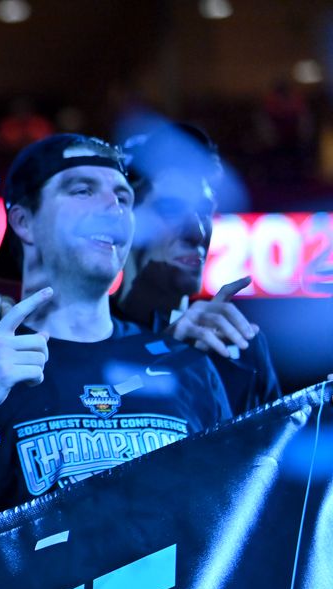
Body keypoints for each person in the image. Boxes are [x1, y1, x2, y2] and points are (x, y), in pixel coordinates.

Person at [0, 133, 231, 524]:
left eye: (123, 198)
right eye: (83, 190)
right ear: (24, 221)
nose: (112, 207)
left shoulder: (188, 369)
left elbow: (228, 528)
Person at [118, 123, 281, 414]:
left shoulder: (239, 344)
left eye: (205, 210)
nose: (197, 231)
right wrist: (163, 353)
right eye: (170, 209)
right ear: (123, 218)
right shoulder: (82, 333)